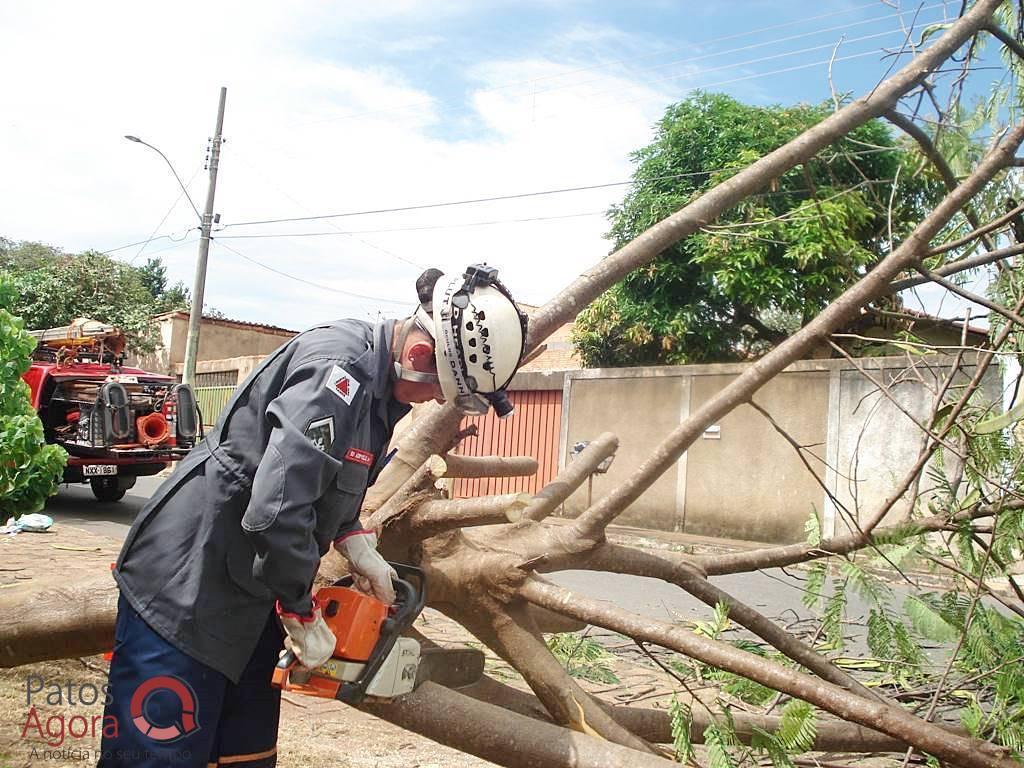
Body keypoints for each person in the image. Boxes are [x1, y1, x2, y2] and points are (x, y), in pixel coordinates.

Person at [98, 264, 527, 768]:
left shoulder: (378, 393)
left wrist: (355, 541)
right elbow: (277, 510)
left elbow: (330, 480)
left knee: (244, 754)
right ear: (418, 355)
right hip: (186, 584)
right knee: (161, 753)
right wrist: (300, 610)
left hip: (250, 590)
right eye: (439, 388)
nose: (435, 399)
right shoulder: (335, 371)